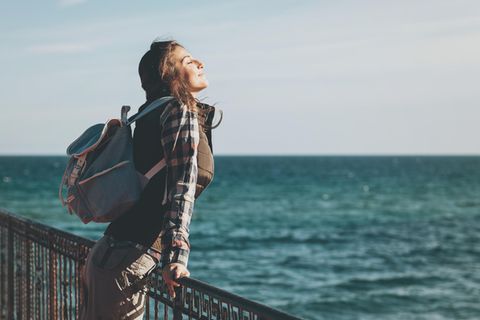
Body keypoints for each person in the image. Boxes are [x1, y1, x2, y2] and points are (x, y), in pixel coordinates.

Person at [79, 39, 222, 320]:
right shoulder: (178, 112)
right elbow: (180, 190)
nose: (200, 63)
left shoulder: (150, 112)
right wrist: (175, 259)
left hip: (111, 256)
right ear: (170, 73)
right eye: (189, 60)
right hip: (125, 263)